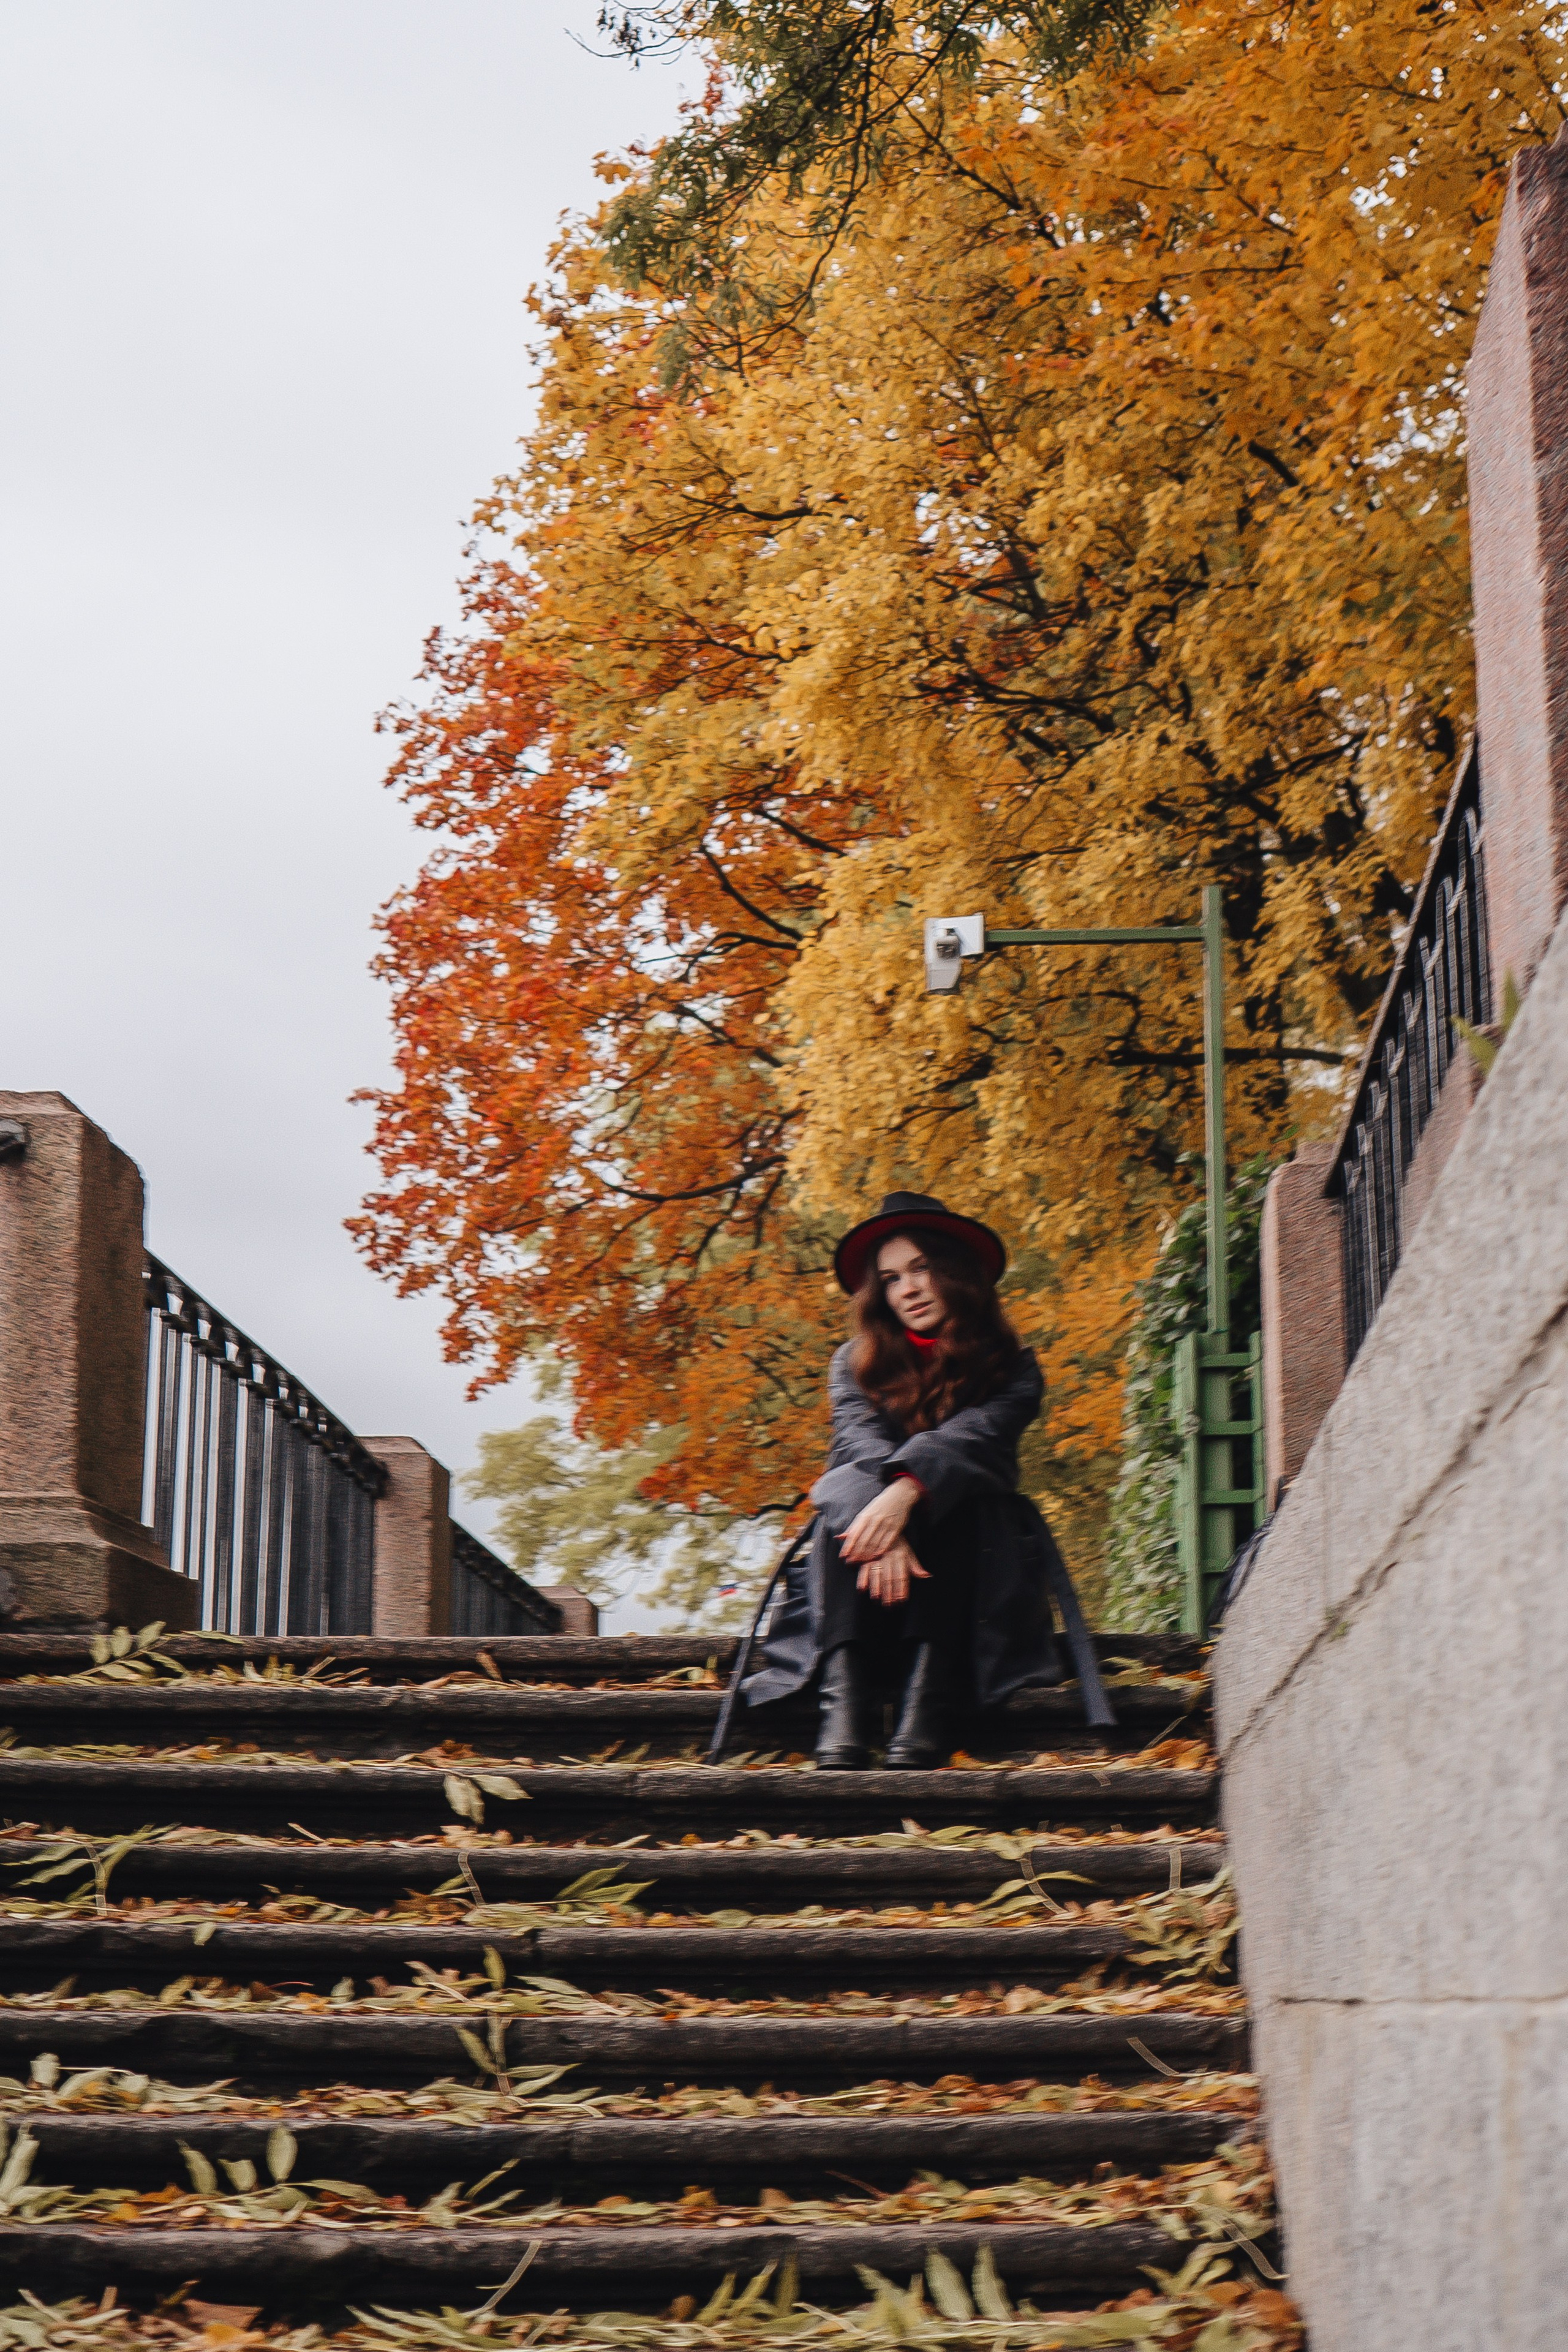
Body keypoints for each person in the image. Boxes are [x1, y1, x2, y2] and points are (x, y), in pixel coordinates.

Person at [742, 1191, 1110, 1768]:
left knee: (960, 1500)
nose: (907, 1289)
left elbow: (972, 1441)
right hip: (869, 1594)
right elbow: (856, 1445)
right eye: (891, 1279)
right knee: (846, 1510)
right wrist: (884, 1526)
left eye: (921, 1269)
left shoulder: (1013, 1365)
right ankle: (843, 1704)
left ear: (957, 1274)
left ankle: (927, 1701)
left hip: (969, 1593)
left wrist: (906, 1493)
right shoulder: (853, 1362)